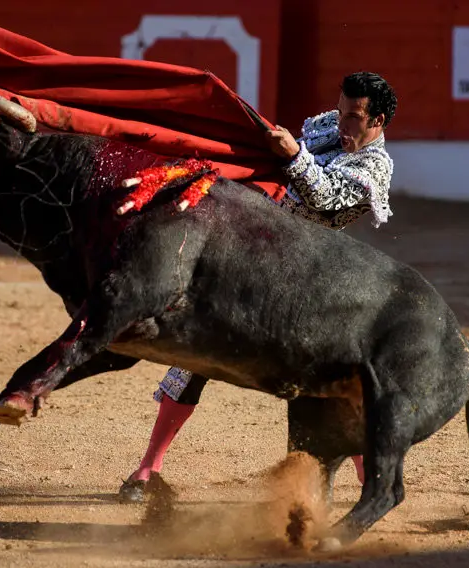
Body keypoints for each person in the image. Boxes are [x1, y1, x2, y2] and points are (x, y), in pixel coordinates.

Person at [118, 71, 398, 503]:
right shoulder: (331, 124)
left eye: (354, 118)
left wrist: (295, 156)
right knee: (195, 351)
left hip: (310, 277)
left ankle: (371, 485)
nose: (341, 123)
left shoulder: (376, 168)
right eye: (341, 111)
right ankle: (146, 469)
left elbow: (323, 196)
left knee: (336, 382)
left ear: (377, 120)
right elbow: (304, 136)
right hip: (257, 254)